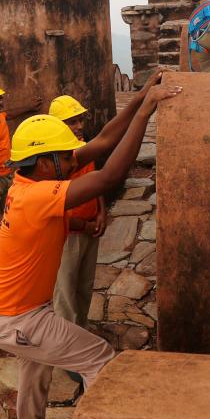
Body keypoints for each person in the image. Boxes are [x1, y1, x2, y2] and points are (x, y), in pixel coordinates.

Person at [0, 74, 182, 419]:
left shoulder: (27, 182)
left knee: (35, 366)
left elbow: (104, 141)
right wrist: (147, 110)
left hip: (10, 310)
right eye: (63, 156)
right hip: (17, 317)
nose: (71, 159)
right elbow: (110, 175)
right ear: (43, 162)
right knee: (99, 358)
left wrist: (140, 94)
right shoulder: (37, 194)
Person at [50, 71, 167, 334]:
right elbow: (107, 160)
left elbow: (96, 178)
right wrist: (143, 107)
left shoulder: (77, 148)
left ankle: (80, 327)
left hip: (89, 226)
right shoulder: (58, 163)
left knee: (83, 285)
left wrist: (101, 212)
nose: (79, 126)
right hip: (68, 233)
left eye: (80, 119)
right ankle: (68, 341)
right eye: (71, 122)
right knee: (65, 290)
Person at [0, 81, 41, 271]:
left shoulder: (0, 116)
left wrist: (30, 107)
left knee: (11, 217)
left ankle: (12, 254)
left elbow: (9, 113)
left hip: (7, 175)